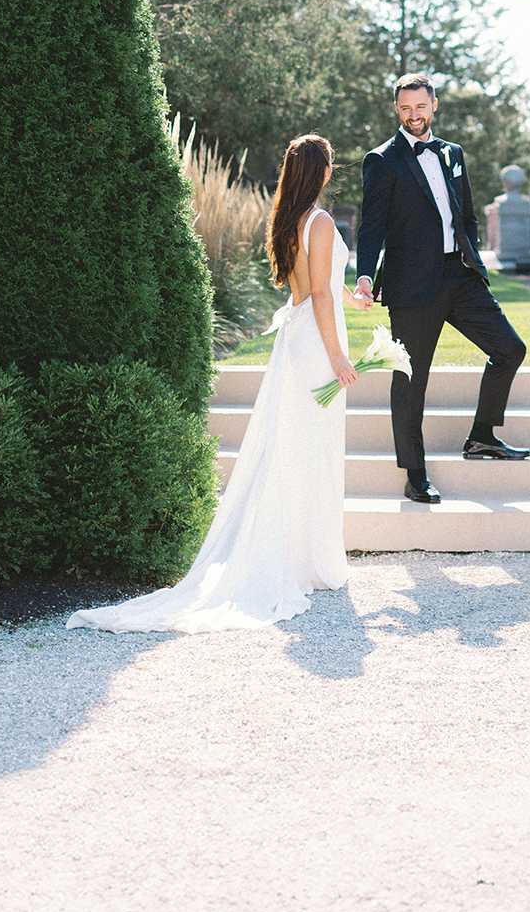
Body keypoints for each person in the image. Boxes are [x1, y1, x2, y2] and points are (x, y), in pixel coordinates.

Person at [67, 134, 358, 634]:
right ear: (325, 172)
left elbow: (316, 289)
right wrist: (338, 357)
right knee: (312, 447)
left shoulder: (289, 219)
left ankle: (305, 554)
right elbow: (321, 297)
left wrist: (356, 300)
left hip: (297, 338)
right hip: (315, 344)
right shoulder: (323, 221)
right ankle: (311, 560)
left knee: (294, 445)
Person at [353, 74, 528, 504]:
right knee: (411, 380)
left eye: (420, 106)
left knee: (510, 349)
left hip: (461, 277)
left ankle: (482, 437)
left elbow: (464, 213)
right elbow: (371, 226)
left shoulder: (453, 153)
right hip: (412, 286)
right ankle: (415, 473)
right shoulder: (382, 160)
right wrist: (364, 278)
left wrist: (472, 253)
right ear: (398, 111)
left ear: (434, 105)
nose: (414, 115)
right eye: (405, 108)